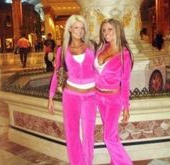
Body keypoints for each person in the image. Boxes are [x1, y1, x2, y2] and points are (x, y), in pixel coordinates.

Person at [47, 15, 97, 165]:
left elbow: (100, 70)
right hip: (71, 96)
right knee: (72, 133)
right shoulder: (62, 50)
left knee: (88, 134)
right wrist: (50, 96)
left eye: (82, 28)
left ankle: (87, 162)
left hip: (90, 96)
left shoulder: (91, 46)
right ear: (69, 29)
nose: (80, 31)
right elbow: (58, 73)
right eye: (76, 27)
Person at [94, 18, 134, 165]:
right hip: (98, 96)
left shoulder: (125, 54)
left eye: (110, 29)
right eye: (104, 30)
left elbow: (126, 82)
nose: (106, 33)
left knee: (109, 137)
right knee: (111, 134)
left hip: (112, 99)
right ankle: (114, 162)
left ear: (118, 30)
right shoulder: (101, 48)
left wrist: (126, 107)